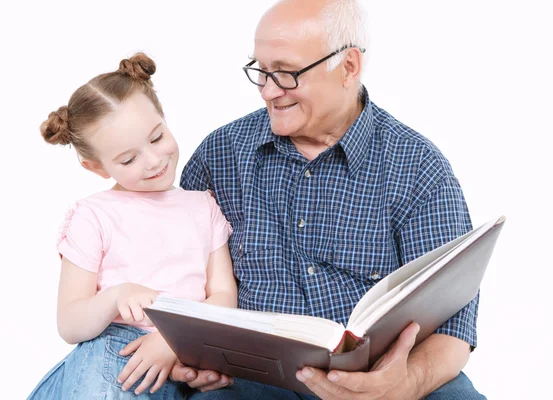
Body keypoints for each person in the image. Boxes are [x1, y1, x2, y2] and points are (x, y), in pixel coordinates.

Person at [126, 1, 485, 399]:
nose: (267, 90)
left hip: (386, 375)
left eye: (286, 73)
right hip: (251, 379)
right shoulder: (221, 153)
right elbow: (171, 271)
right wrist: (186, 350)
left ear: (348, 66)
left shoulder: (418, 166)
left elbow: (455, 323)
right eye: (260, 70)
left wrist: (406, 385)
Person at [27, 53, 238, 400]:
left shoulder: (203, 207)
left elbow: (224, 297)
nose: (154, 160)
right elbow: (70, 323)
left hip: (189, 355)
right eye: (128, 159)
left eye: (157, 138)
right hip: (117, 356)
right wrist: (116, 296)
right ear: (97, 167)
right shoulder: (93, 216)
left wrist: (174, 339)